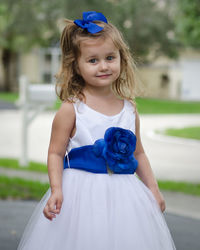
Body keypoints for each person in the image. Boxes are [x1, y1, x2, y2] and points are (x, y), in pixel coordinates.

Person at [17, 11, 176, 250]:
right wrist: (57, 189)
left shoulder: (129, 110)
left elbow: (139, 153)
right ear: (77, 66)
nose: (103, 66)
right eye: (93, 60)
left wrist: (153, 189)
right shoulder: (72, 109)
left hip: (124, 197)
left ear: (121, 59)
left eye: (110, 57)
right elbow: (55, 153)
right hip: (79, 197)